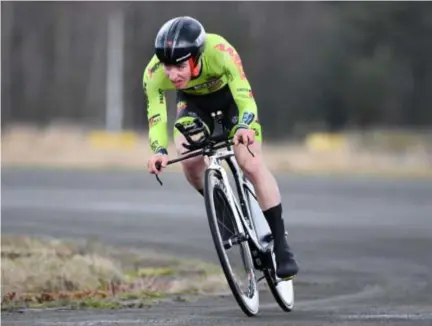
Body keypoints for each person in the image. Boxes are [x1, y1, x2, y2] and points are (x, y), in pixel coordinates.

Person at [144, 16, 299, 280]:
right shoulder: (154, 73)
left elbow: (244, 97)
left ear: (196, 57)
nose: (172, 74)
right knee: (189, 161)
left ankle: (282, 247)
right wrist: (159, 150)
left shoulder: (220, 51)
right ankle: (225, 214)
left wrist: (245, 126)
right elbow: (157, 117)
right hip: (193, 106)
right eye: (167, 67)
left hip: (231, 104)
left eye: (179, 66)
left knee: (249, 162)